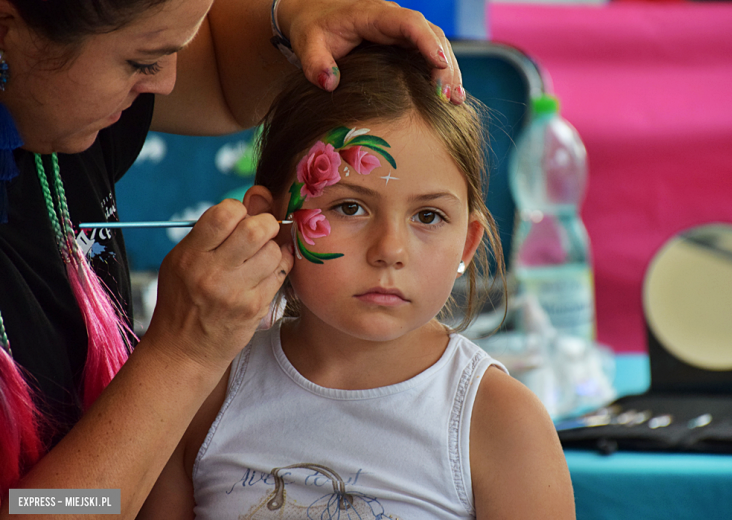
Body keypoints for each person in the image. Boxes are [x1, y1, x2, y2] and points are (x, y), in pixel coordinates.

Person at [0, 0, 465, 515]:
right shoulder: (212, 408)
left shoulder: (490, 420)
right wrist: (179, 357)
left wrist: (289, 17)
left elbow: (220, 70)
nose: (170, 82)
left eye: (428, 216)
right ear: (7, 30)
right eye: (142, 60)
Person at [139, 44, 576, 519]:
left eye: (428, 216)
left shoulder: (499, 423)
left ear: (466, 245)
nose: (390, 249)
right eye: (349, 207)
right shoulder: (202, 391)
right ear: (269, 221)